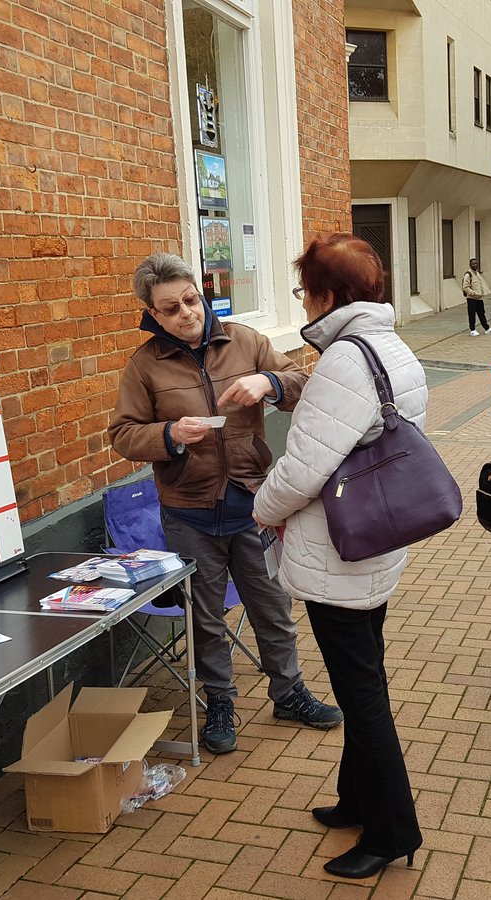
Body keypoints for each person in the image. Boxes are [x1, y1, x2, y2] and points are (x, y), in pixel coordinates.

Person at [109, 253, 343, 756]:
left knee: (272, 608)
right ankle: (219, 702)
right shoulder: (144, 365)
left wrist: (270, 382)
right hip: (188, 511)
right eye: (171, 308)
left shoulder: (246, 341)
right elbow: (123, 434)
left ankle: (289, 693)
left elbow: (305, 387)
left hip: (253, 502)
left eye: (191, 300)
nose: (186, 314)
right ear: (152, 313)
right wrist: (169, 434)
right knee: (206, 618)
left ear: (201, 294)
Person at [253, 233, 424, 880]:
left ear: (328, 295)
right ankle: (357, 799)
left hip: (338, 550)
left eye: (306, 289)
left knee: (363, 693)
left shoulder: (345, 361)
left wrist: (262, 509)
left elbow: (303, 469)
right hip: (374, 538)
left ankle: (391, 830)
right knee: (364, 680)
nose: (303, 300)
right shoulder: (391, 346)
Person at [461, 257, 491, 336]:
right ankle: (472, 330)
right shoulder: (468, 274)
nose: (475, 265)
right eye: (473, 264)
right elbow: (465, 287)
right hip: (472, 298)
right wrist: (474, 293)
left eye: (476, 264)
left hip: (479, 298)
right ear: (470, 265)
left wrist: (481, 294)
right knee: (472, 314)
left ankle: (487, 328)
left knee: (481, 314)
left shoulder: (477, 273)